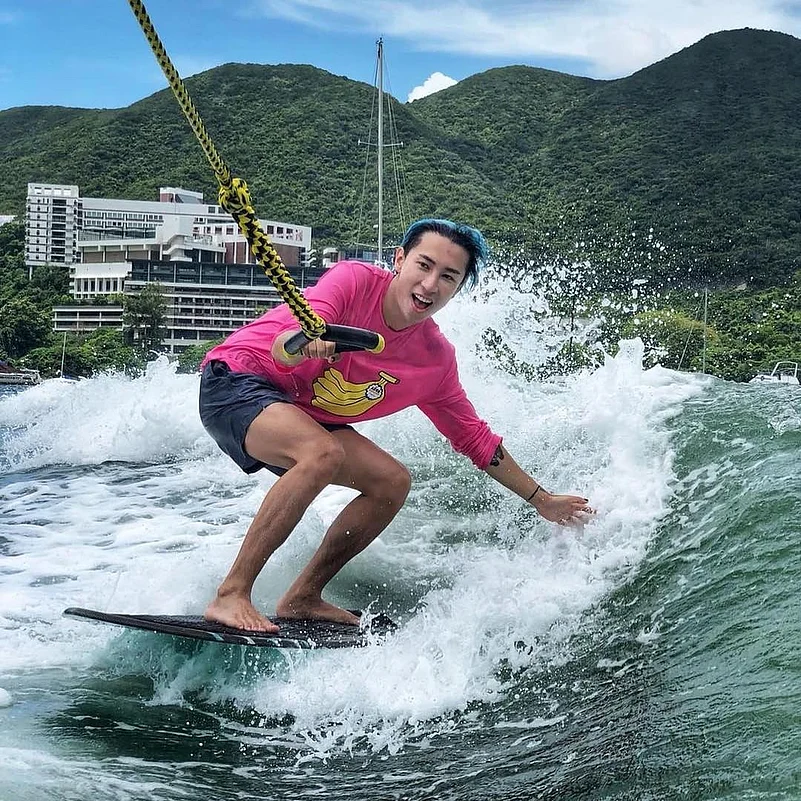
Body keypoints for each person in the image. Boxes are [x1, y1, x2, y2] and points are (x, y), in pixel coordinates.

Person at [199, 219, 591, 632]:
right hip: (236, 380)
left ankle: (303, 597)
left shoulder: (433, 361)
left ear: (458, 288)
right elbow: (287, 343)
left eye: (448, 277)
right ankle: (231, 594)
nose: (430, 284)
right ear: (399, 259)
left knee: (391, 482)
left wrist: (541, 500)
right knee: (322, 452)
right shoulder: (353, 281)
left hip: (304, 414)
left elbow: (475, 439)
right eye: (424, 265)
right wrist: (305, 342)